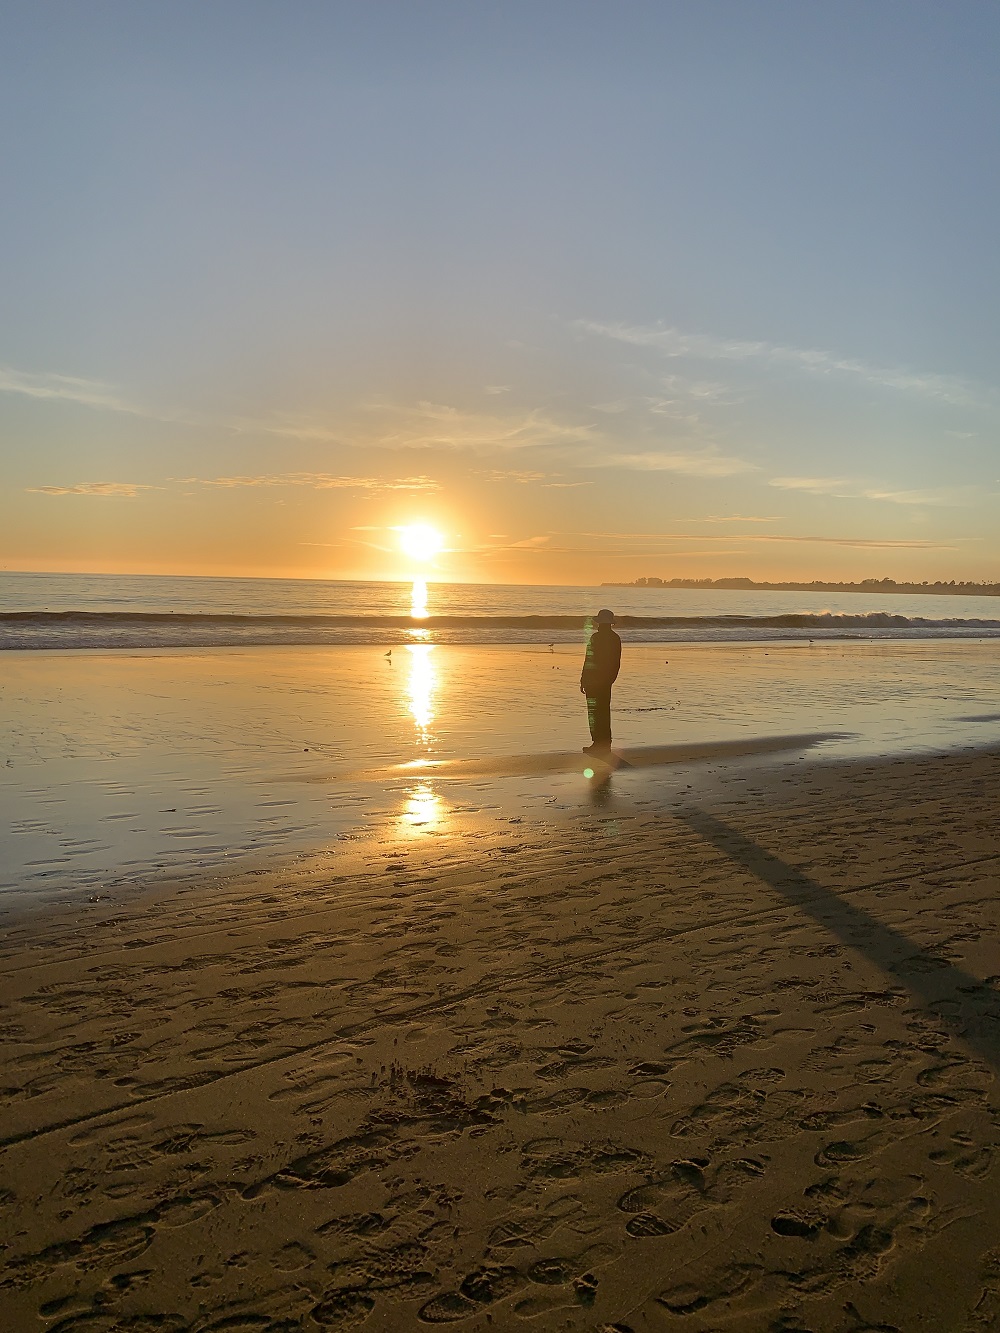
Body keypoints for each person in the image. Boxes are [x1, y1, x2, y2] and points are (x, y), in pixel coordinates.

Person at [580, 608, 621, 752]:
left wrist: (583, 679)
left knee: (594, 712)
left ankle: (598, 742)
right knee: (603, 710)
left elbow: (588, 660)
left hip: (594, 680)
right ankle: (604, 742)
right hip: (605, 681)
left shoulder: (596, 638)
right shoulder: (615, 639)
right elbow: (616, 663)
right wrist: (610, 680)